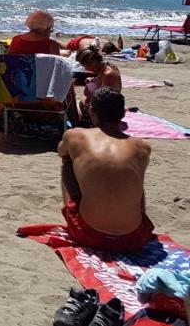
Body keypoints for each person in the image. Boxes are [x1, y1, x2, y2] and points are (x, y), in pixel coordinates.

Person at [57, 87, 154, 252]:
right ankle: (137, 220)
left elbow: (61, 151)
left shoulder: (75, 135)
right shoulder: (142, 147)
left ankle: (72, 208)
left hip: (88, 234)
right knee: (134, 176)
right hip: (134, 238)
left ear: (92, 111)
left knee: (67, 162)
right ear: (123, 114)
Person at [74, 46, 122, 124]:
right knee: (80, 102)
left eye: (84, 65)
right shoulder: (105, 67)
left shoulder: (108, 74)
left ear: (91, 62)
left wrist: (87, 93)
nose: (85, 68)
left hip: (109, 110)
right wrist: (93, 81)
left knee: (77, 106)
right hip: (110, 105)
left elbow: (104, 101)